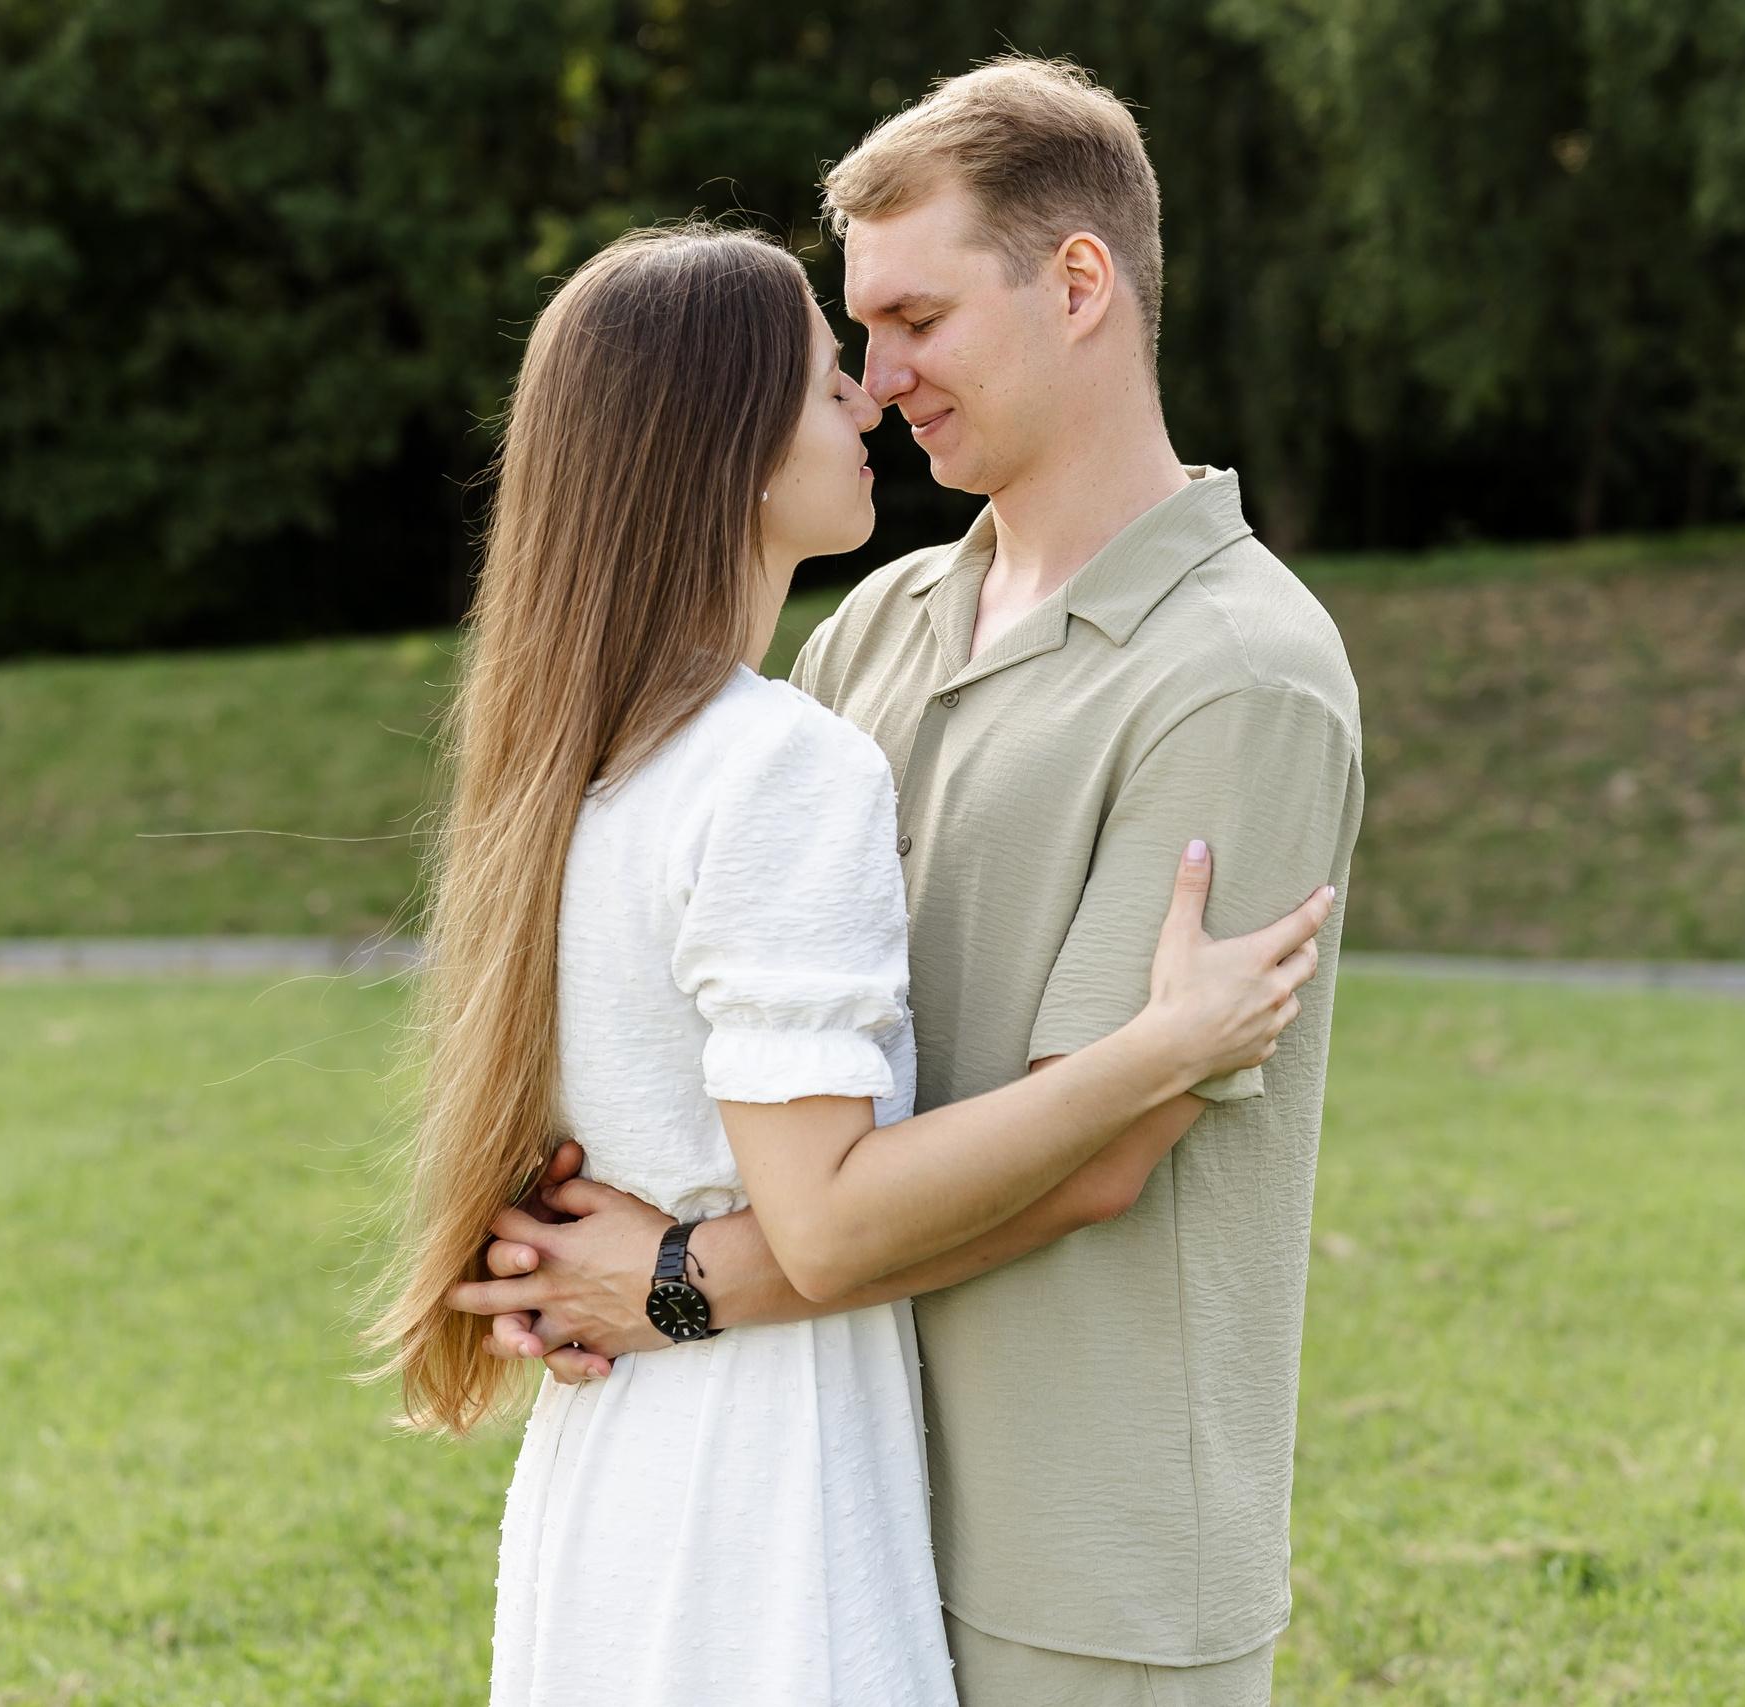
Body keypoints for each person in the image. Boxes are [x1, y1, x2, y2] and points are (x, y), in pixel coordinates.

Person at [452, 59, 1366, 1707]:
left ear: (1079, 283)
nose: (879, 380)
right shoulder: (877, 625)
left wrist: (666, 1283)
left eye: (917, 320)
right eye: (856, 336)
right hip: (830, 1490)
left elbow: (1096, 1154)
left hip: (1071, 1557)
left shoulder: (1241, 675)